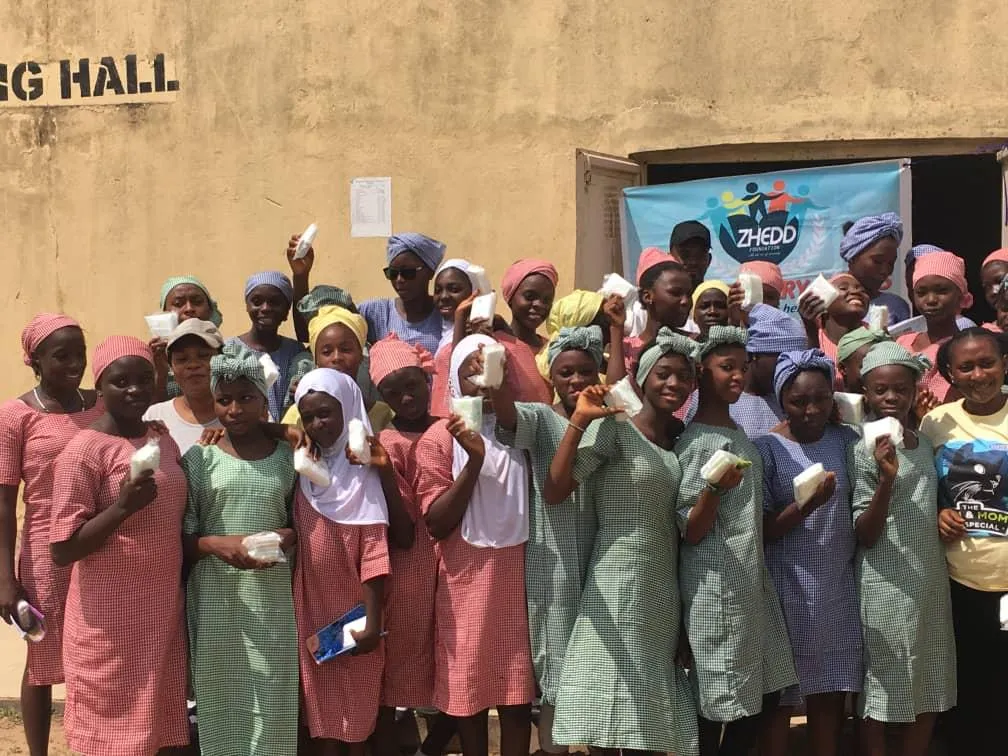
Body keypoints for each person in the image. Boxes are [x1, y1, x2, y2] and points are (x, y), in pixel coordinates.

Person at [543, 328, 700, 756]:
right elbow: (555, 489)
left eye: (683, 377)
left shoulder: (678, 443)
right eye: (663, 374)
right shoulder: (615, 429)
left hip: (662, 592)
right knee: (606, 713)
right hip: (616, 583)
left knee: (644, 722)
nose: (674, 384)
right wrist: (579, 419)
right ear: (643, 378)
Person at [49, 336, 189, 755]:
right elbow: (62, 549)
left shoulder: (162, 441)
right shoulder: (83, 451)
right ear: (101, 386)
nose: (134, 390)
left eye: (144, 380)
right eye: (120, 381)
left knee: (157, 729)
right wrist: (122, 507)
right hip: (108, 623)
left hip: (160, 614)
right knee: (107, 734)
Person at [674, 326, 797, 756]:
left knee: (760, 697)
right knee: (719, 703)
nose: (738, 377)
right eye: (727, 367)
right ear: (701, 372)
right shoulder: (693, 443)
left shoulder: (739, 433)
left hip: (749, 584)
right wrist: (716, 488)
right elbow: (691, 529)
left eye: (743, 368)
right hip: (715, 587)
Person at [414, 334, 536, 756]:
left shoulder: (522, 431)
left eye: (491, 371)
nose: (481, 383)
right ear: (454, 381)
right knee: (467, 688)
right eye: (471, 372)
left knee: (516, 690)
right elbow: (436, 521)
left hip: (517, 577)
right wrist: (475, 460)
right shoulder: (439, 439)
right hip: (463, 581)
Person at [489, 326, 606, 754]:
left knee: (597, 669)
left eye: (585, 371)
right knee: (555, 665)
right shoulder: (541, 418)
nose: (576, 381)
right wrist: (496, 375)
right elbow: (507, 415)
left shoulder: (608, 422)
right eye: (566, 373)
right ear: (551, 377)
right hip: (551, 561)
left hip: (598, 558)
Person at [182, 353, 299, 756]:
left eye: (246, 398)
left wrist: (286, 535)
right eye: (224, 399)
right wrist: (217, 545)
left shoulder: (288, 458)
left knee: (271, 696)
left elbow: (303, 522)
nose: (234, 409)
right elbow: (183, 537)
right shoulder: (199, 459)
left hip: (271, 604)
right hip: (216, 602)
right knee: (222, 697)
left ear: (265, 400)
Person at [0, 314, 103, 756]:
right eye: (62, 356)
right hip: (44, 558)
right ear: (35, 360)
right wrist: (5, 577)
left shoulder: (102, 404)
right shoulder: (13, 417)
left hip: (101, 547)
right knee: (40, 659)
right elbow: (4, 502)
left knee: (99, 653)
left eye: (79, 353)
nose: (75, 363)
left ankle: (97, 743)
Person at [293, 368, 406, 756]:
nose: (317, 424)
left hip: (355, 616)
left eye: (326, 412)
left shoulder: (364, 476)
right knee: (322, 721)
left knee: (356, 725)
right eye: (308, 416)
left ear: (349, 409)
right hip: (310, 612)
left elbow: (374, 555)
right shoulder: (307, 470)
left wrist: (373, 622)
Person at [851, 342, 956, 756]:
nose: (891, 398)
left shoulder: (925, 444)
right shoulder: (861, 448)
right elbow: (865, 532)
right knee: (883, 689)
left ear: (916, 391)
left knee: (929, 682)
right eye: (880, 391)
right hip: (884, 585)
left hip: (929, 581)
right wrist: (886, 479)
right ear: (867, 395)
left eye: (900, 389)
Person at [756, 350, 862, 756]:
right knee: (781, 696)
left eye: (820, 398)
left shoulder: (846, 442)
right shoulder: (766, 448)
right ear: (782, 399)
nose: (811, 409)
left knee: (830, 691)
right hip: (786, 587)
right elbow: (762, 530)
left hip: (837, 588)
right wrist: (807, 506)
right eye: (799, 401)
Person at [920, 328, 1008, 755]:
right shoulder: (935, 422)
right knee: (969, 690)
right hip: (959, 584)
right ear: (951, 374)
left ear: (1005, 364)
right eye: (966, 367)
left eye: (987, 362)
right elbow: (922, 490)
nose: (978, 374)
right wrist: (938, 512)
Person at [366, 336, 440, 756]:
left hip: (456, 565)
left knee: (446, 657)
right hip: (410, 568)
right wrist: (388, 476)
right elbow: (403, 531)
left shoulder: (449, 428)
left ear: (427, 376)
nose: (406, 397)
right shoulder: (388, 443)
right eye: (392, 392)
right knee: (401, 666)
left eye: (412, 384)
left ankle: (432, 746)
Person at [282, 304, 394, 432]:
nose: (337, 358)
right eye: (326, 352)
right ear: (316, 360)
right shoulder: (298, 415)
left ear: (360, 356)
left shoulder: (382, 415)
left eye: (345, 350)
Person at [229, 270, 313, 421]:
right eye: (257, 301)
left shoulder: (296, 352)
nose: (266, 308)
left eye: (275, 302)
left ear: (287, 311)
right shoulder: (229, 350)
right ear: (247, 306)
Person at [720, 304, 807, 437]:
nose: (790, 368)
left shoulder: (795, 403)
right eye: (782, 359)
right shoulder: (718, 400)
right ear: (753, 355)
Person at [897, 251, 972, 404]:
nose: (931, 299)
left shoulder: (964, 348)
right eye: (921, 292)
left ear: (960, 295)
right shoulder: (902, 342)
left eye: (942, 291)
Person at [144, 318, 224, 454]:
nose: (193, 365)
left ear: (223, 359)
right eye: (182, 359)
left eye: (204, 356)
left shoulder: (241, 415)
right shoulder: (154, 417)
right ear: (171, 367)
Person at [360, 233, 447, 355]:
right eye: (393, 273)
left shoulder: (445, 313)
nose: (399, 280)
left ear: (430, 272)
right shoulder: (376, 312)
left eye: (408, 273)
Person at [152, 275, 223, 400]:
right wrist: (161, 373)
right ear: (165, 313)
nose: (189, 309)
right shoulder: (149, 359)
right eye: (178, 304)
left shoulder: (230, 355)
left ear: (210, 310)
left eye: (197, 302)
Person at [799, 272, 869, 384]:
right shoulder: (807, 336)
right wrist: (811, 334)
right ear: (824, 301)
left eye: (862, 290)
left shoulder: (878, 336)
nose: (856, 292)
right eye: (843, 288)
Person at [840, 213, 910, 323]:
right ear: (852, 257)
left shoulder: (895, 306)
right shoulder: (825, 302)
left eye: (891, 263)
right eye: (877, 261)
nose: (885, 271)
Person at [502, 259, 559, 357]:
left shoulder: (552, 351)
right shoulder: (495, 345)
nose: (539, 304)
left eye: (547, 300)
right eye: (530, 296)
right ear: (511, 298)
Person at [836, 327, 891, 394]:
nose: (877, 373)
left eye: (882, 365)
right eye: (867, 366)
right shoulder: (832, 403)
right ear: (843, 368)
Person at [670, 220, 713, 293]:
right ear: (669, 258)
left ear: (709, 260)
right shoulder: (656, 302)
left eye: (700, 255)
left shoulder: (719, 302)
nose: (693, 262)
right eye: (685, 254)